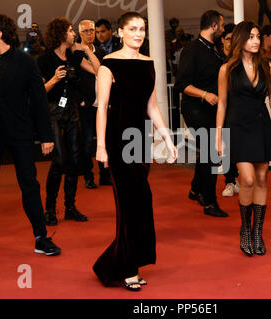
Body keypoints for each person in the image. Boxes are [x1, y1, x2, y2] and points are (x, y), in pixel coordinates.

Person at [0, 13, 61, 256]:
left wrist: (46, 136)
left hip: (20, 133)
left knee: (29, 184)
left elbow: (39, 101)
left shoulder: (25, 61)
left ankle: (41, 237)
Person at [93, 11, 177, 291]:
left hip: (140, 141)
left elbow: (151, 106)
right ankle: (128, 268)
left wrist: (167, 138)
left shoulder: (149, 63)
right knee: (127, 204)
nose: (139, 34)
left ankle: (111, 264)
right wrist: (101, 146)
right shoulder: (108, 65)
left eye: (142, 29)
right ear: (121, 32)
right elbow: (102, 107)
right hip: (118, 141)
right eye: (133, 29)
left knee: (142, 202)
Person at [216, 21, 271, 256]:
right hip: (237, 126)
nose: (256, 41)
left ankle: (257, 232)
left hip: (261, 125)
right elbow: (222, 103)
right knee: (247, 179)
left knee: (262, 178)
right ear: (241, 39)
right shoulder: (227, 69)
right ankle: (244, 229)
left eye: (258, 36)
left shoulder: (268, 67)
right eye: (251, 36)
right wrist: (218, 136)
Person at [38, 17, 100, 226]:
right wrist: (54, 79)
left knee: (75, 160)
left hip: (72, 113)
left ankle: (70, 207)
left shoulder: (74, 57)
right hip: (53, 113)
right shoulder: (44, 60)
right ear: (61, 34)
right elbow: (39, 93)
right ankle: (49, 209)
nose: (75, 33)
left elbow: (98, 70)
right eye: (71, 31)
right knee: (59, 161)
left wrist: (87, 50)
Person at [174, 10, 228, 217]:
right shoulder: (192, 50)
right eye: (222, 26)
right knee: (212, 151)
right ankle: (210, 202)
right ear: (213, 26)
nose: (223, 30)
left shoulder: (215, 50)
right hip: (195, 108)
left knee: (209, 152)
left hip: (213, 109)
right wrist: (205, 95)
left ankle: (196, 189)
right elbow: (181, 84)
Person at [76, 20, 110, 189]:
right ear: (79, 33)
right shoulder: (75, 53)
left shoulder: (103, 52)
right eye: (86, 31)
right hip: (86, 104)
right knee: (87, 141)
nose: (90, 34)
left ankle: (105, 175)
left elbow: (106, 74)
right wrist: (81, 99)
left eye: (92, 30)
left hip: (103, 104)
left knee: (105, 140)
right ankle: (88, 176)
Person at [218, 23, 240, 197]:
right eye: (228, 38)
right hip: (220, 108)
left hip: (236, 109)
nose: (231, 42)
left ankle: (236, 179)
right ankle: (229, 181)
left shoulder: (240, 60)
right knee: (225, 148)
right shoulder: (218, 60)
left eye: (234, 39)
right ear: (222, 40)